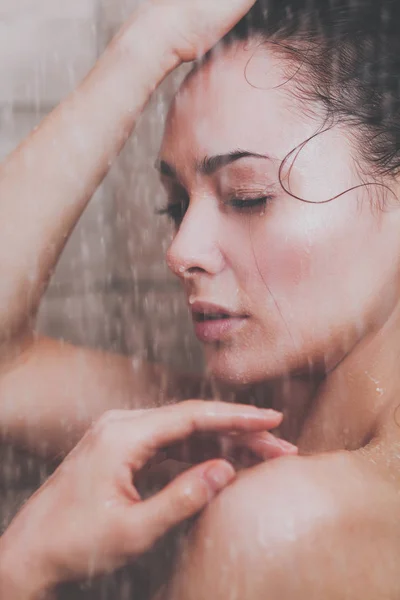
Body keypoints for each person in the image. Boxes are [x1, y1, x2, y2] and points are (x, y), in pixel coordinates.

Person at [1, 0, 400, 597]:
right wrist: (146, 49)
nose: (180, 250)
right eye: (177, 206)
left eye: (247, 196)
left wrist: (20, 568)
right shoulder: (261, 430)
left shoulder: (275, 522)